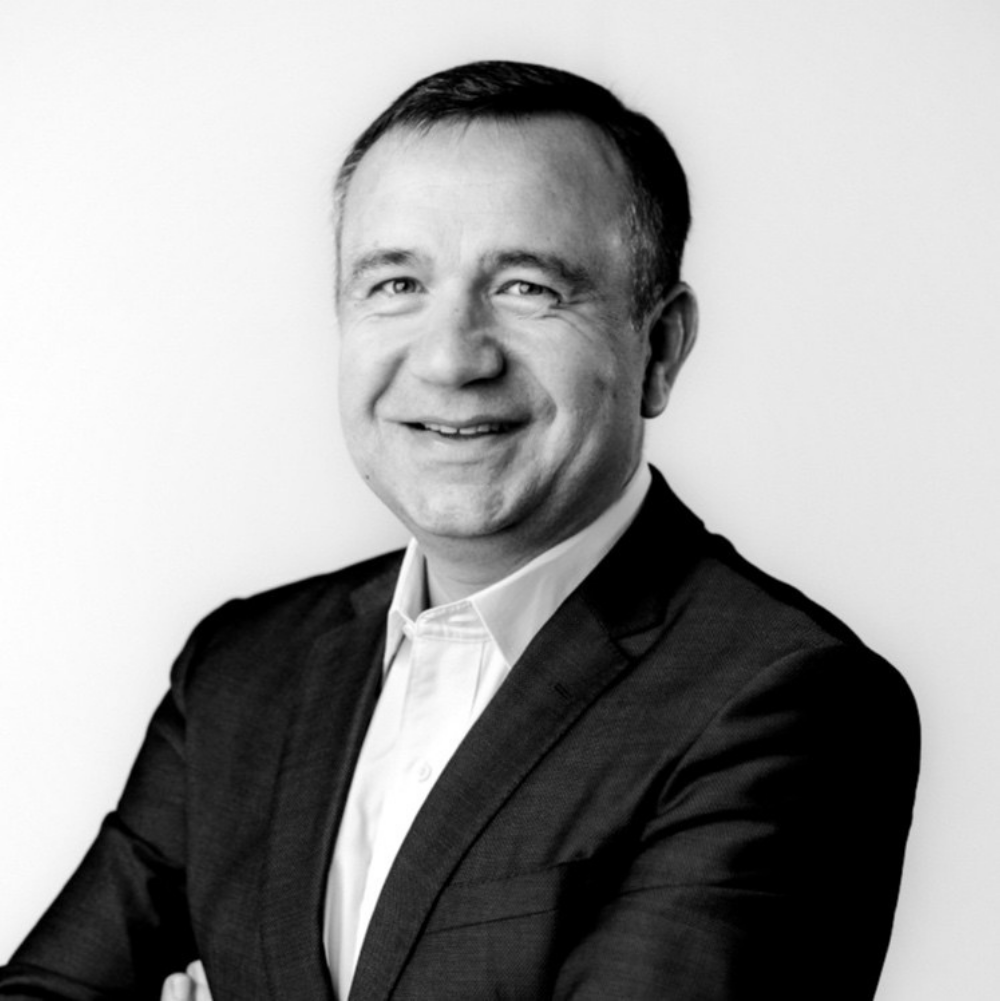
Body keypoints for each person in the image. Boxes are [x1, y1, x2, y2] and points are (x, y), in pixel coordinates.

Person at [0, 60, 919, 1001]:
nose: (450, 358)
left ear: (659, 346)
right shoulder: (242, 668)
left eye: (527, 287)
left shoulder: (787, 701)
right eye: (396, 283)